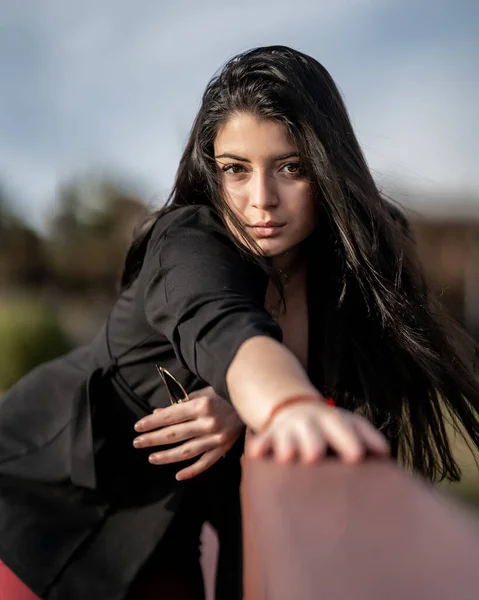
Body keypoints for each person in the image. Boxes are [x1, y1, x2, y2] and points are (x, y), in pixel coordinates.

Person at [1, 44, 478, 600]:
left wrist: (252, 413)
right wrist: (283, 406)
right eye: (236, 170)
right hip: (41, 512)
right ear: (212, 169)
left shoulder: (350, 271)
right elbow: (224, 327)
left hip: (174, 533)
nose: (261, 201)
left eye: (291, 168)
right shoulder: (187, 242)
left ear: (328, 166)